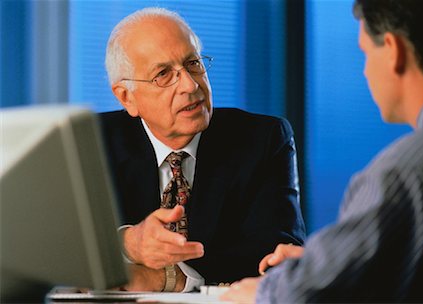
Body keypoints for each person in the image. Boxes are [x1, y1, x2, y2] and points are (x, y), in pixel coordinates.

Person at [221, 0, 423, 302]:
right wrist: (332, 265)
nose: (366, 72)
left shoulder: (407, 173)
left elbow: (301, 295)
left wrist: (267, 292)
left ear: (394, 51)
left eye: (365, 53)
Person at [99, 7, 306, 292]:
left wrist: (172, 279)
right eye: (163, 74)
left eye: (193, 63)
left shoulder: (263, 139)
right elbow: (48, 243)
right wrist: (126, 244)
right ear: (127, 98)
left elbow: (278, 256)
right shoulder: (93, 142)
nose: (190, 84)